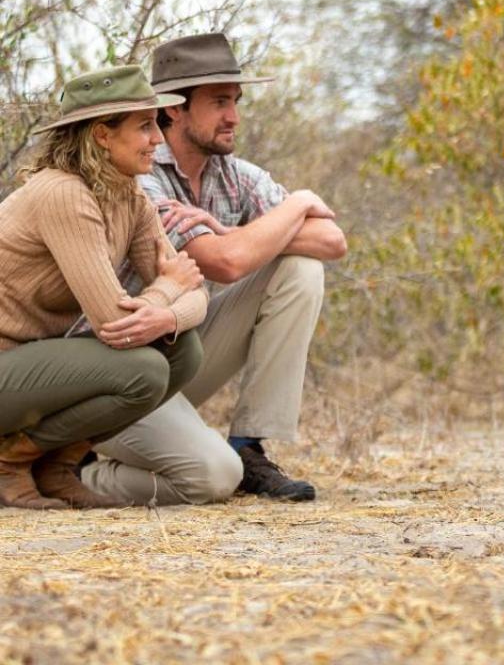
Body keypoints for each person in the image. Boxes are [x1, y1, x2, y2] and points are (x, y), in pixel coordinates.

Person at [83, 33, 345, 505]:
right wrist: (301, 201)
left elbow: (332, 241)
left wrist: (224, 228)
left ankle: (249, 446)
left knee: (301, 268)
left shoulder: (235, 175)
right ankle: (72, 474)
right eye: (220, 101)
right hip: (115, 376)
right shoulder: (140, 173)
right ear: (174, 109)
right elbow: (227, 264)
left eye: (237, 101)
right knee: (210, 478)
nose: (234, 116)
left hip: (176, 357)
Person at [0, 65, 208, 509]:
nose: (158, 139)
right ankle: (8, 463)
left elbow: (196, 293)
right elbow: (115, 324)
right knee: (144, 370)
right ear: (101, 135)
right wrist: (168, 290)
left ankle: (56, 466)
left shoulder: (130, 197)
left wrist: (168, 311)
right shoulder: (63, 194)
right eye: (145, 126)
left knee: (183, 349)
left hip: (28, 368)